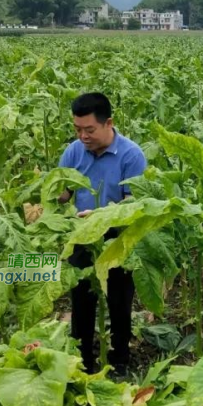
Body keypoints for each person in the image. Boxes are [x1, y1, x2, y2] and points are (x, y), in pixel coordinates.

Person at [58, 92, 147, 373]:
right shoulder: (74, 152)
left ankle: (120, 359)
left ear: (108, 123)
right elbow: (62, 192)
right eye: (77, 129)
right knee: (82, 300)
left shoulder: (131, 155)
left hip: (117, 240)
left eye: (89, 130)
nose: (83, 136)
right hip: (83, 238)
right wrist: (53, 198)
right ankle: (82, 358)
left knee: (119, 301)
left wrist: (102, 217)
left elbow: (135, 203)